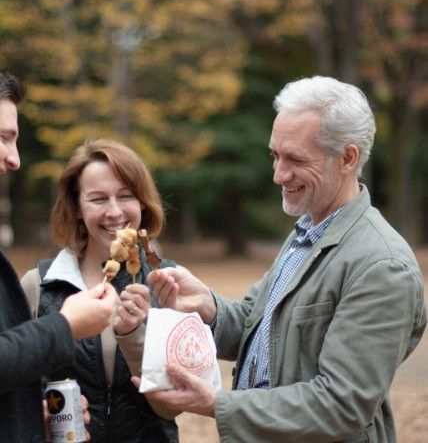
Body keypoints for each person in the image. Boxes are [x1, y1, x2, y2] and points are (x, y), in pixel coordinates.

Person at [136, 76, 427, 443]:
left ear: (348, 158)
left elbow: (341, 405)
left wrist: (218, 405)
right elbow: (259, 328)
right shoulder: (306, 232)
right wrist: (206, 306)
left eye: (296, 159)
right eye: (276, 155)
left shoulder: (382, 266)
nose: (278, 174)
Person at [21, 138, 180, 443]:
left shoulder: (166, 281)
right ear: (77, 207)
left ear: (142, 202)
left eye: (126, 196)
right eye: (97, 199)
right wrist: (33, 412)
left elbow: (171, 410)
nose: (114, 212)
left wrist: (134, 335)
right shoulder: (37, 286)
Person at [0, 72, 117, 443]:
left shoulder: (166, 280)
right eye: (3, 138)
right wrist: (64, 327)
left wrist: (29, 422)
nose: (15, 159)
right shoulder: (39, 282)